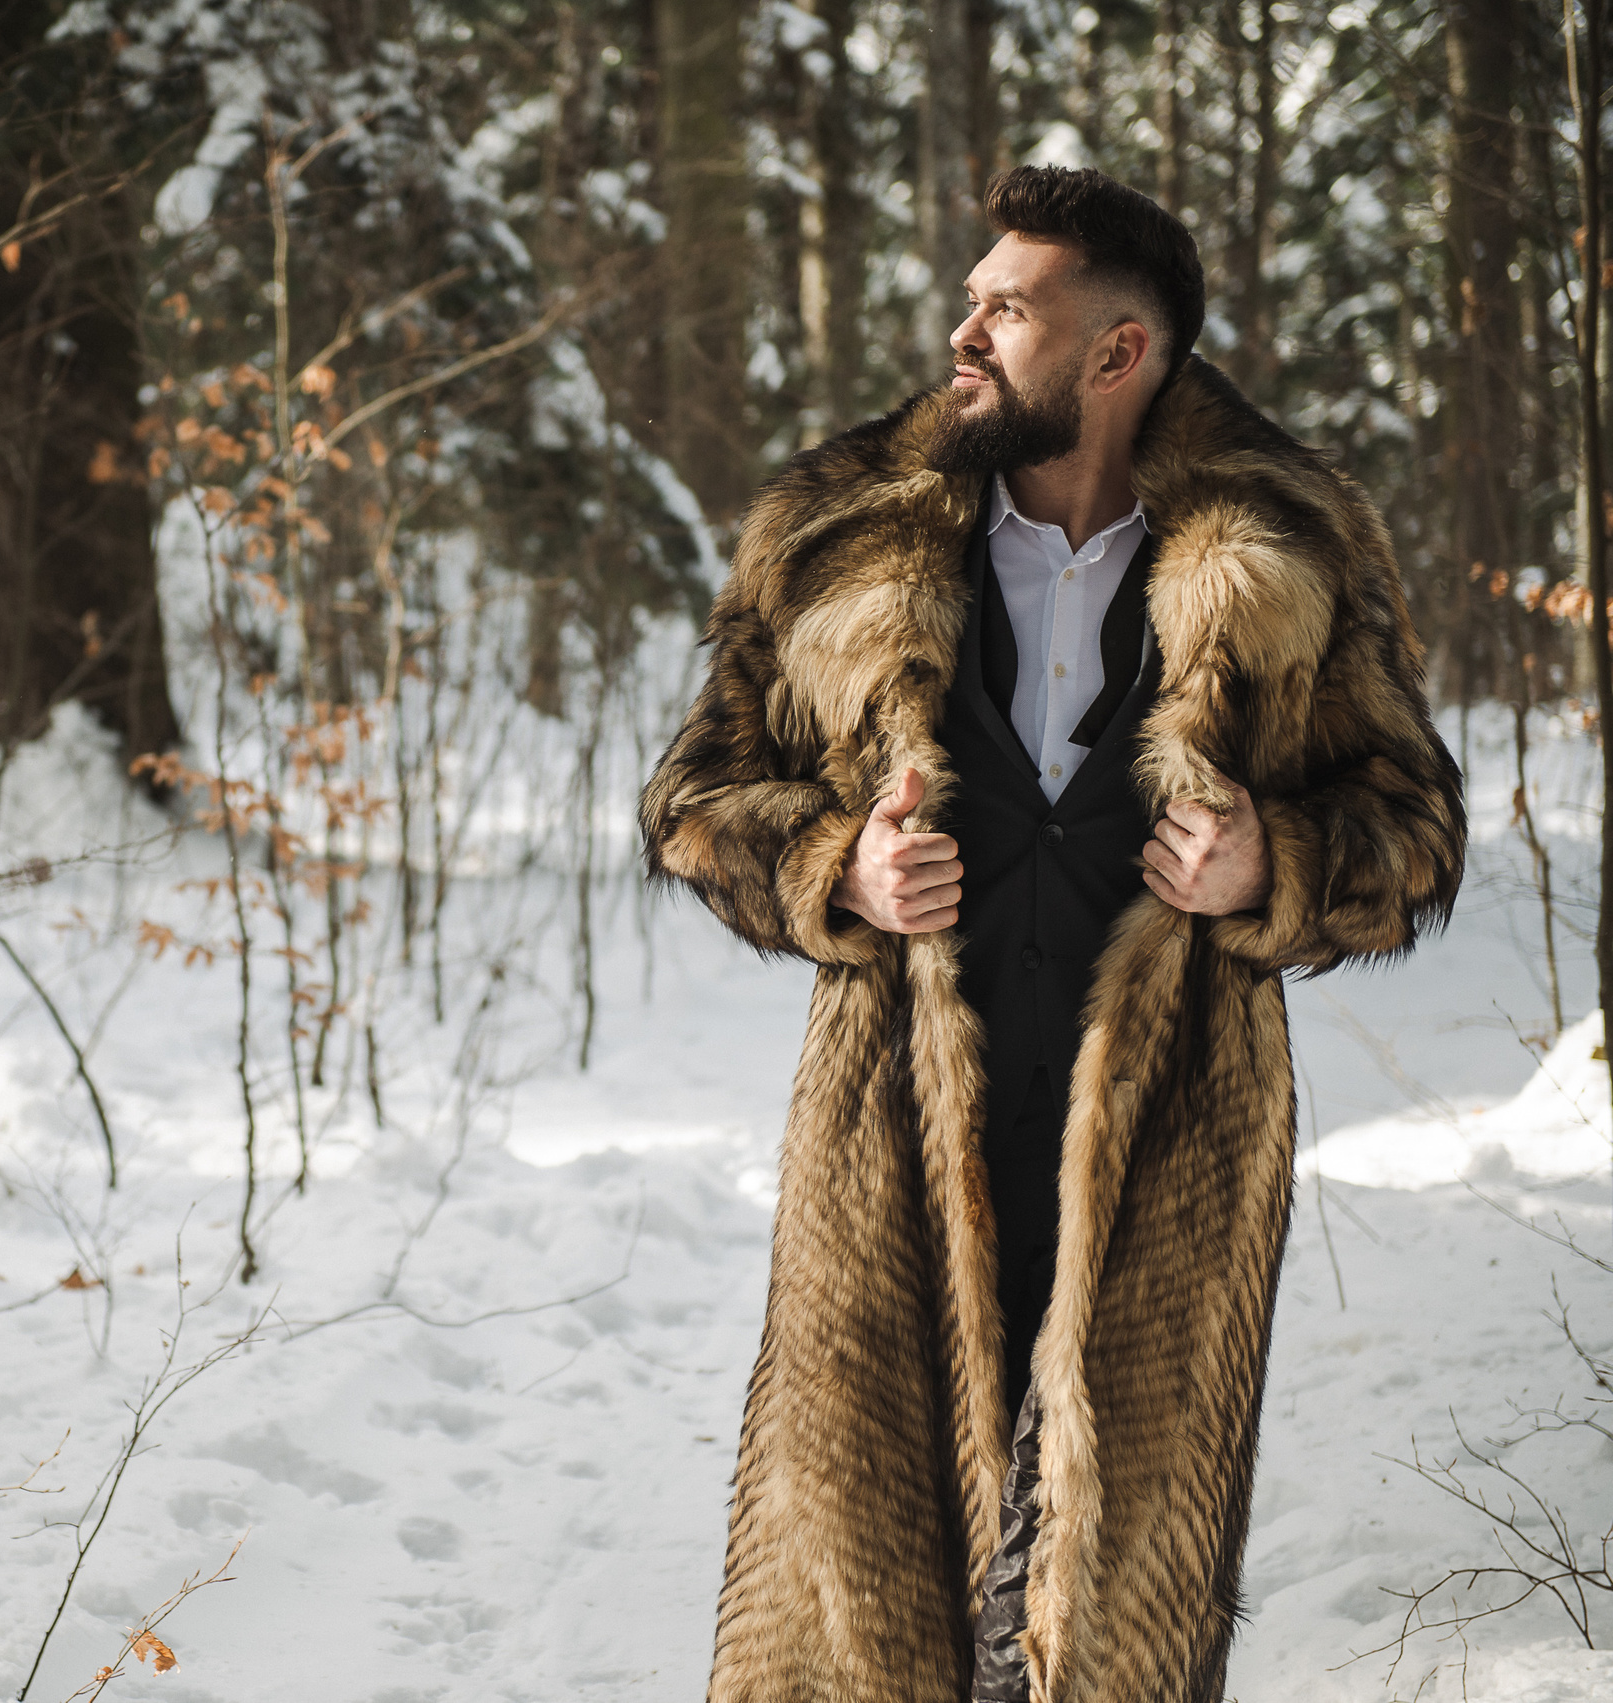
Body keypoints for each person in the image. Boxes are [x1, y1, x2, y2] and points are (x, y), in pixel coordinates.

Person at [638, 165, 1466, 1703]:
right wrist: (837, 869)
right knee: (869, 1612)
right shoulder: (839, 536)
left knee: (1101, 1623)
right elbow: (693, 799)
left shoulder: (1292, 547)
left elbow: (1416, 829)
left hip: (1169, 1158)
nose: (962, 332)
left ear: (1116, 354)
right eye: (972, 299)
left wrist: (1271, 859)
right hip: (892, 1143)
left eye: (1005, 308)